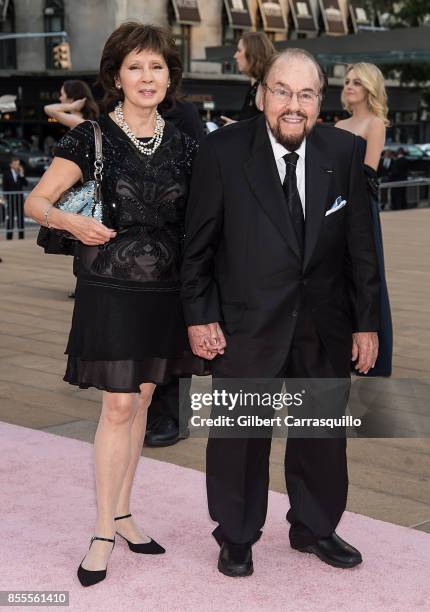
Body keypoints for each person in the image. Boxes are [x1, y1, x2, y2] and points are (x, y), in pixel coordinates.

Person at [181, 48, 380, 577]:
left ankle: (314, 527)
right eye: (283, 91)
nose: (294, 105)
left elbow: (362, 248)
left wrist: (367, 322)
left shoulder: (345, 151)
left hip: (325, 324)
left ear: (321, 100)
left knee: (320, 434)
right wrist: (199, 315)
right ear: (263, 93)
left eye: (307, 94)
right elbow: (196, 246)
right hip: (246, 323)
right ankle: (237, 534)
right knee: (240, 436)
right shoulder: (222, 151)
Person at [24, 22, 206, 588]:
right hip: (111, 289)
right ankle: (103, 529)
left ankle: (125, 513)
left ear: (169, 75)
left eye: (156, 66)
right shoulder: (91, 138)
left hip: (166, 292)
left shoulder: (185, 143)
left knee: (145, 402)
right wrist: (70, 220)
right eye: (136, 67)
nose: (147, 77)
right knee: (119, 408)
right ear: (116, 77)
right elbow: (35, 201)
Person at [336, 62, 393, 377]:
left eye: (356, 81)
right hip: (334, 208)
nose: (349, 86)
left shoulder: (375, 124)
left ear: (370, 87)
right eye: (346, 81)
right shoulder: (337, 127)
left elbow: (368, 173)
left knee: (365, 276)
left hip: (360, 209)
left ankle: (372, 354)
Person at [221, 31, 275, 125]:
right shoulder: (257, 84)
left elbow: (267, 127)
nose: (235, 55)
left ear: (252, 53)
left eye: (239, 50)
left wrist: (236, 126)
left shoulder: (268, 85)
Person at [2, 157, 28, 240]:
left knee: (20, 217)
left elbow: (25, 184)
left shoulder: (20, 173)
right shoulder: (6, 174)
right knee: (10, 217)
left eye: (18, 164)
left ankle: (21, 236)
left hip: (19, 199)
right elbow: (5, 187)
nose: (17, 166)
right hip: (11, 198)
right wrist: (6, 198)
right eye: (15, 164)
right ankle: (9, 236)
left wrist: (22, 174)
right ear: (11, 165)